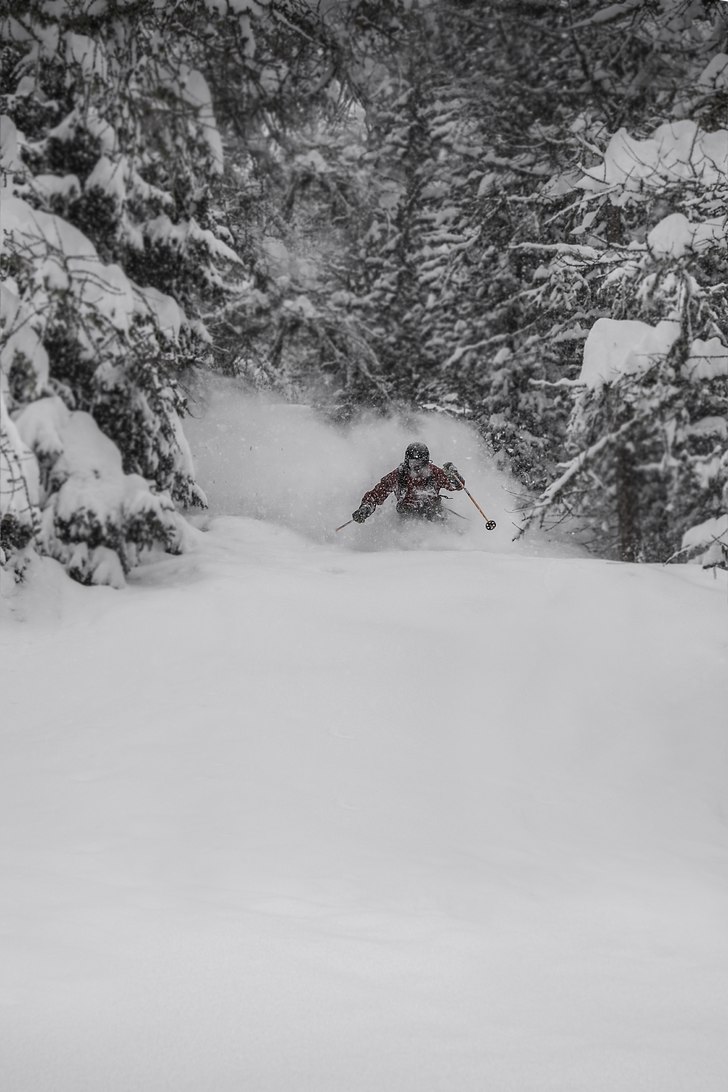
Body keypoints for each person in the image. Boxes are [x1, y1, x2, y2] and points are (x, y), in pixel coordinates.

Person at [352, 442, 465, 524]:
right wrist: (366, 508)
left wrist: (454, 475)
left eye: (421, 463)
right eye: (413, 463)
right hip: (407, 515)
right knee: (407, 521)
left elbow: (458, 486)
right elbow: (377, 493)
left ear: (426, 462)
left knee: (447, 523)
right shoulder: (399, 475)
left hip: (434, 512)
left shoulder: (434, 473)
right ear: (407, 462)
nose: (417, 467)